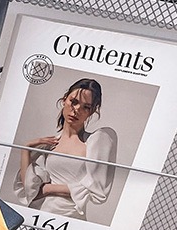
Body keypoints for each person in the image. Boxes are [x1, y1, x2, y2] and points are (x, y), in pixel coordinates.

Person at [14, 78, 117, 220]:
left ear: (92, 111)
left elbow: (97, 190)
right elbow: (29, 190)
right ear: (64, 100)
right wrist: (26, 148)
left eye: (86, 107)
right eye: (73, 102)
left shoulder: (96, 142)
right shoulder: (49, 145)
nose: (77, 110)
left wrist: (48, 189)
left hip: (69, 218)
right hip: (38, 214)